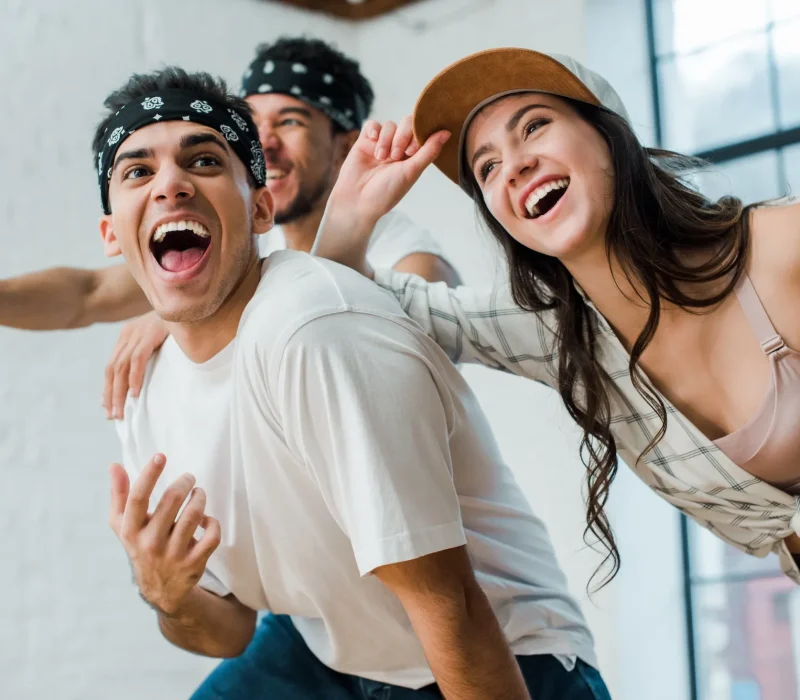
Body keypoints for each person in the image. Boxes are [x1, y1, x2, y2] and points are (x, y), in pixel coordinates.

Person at [99, 67, 608, 699]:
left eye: (203, 160)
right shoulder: (143, 385)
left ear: (261, 208)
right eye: (138, 171)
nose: (171, 184)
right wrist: (166, 592)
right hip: (334, 649)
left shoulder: (315, 326)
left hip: (496, 653)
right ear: (110, 235)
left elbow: (450, 606)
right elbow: (225, 631)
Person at [312, 48, 800, 585]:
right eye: (488, 166)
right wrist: (349, 219)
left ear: (608, 137)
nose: (515, 165)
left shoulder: (778, 249)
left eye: (535, 127)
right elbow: (357, 304)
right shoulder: (555, 335)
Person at [0, 37, 459, 420]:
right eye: (254, 124)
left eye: (291, 121)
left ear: (344, 146)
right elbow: (86, 296)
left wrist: (180, 317)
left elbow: (383, 356)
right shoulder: (245, 244)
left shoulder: (403, 249)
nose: (266, 142)